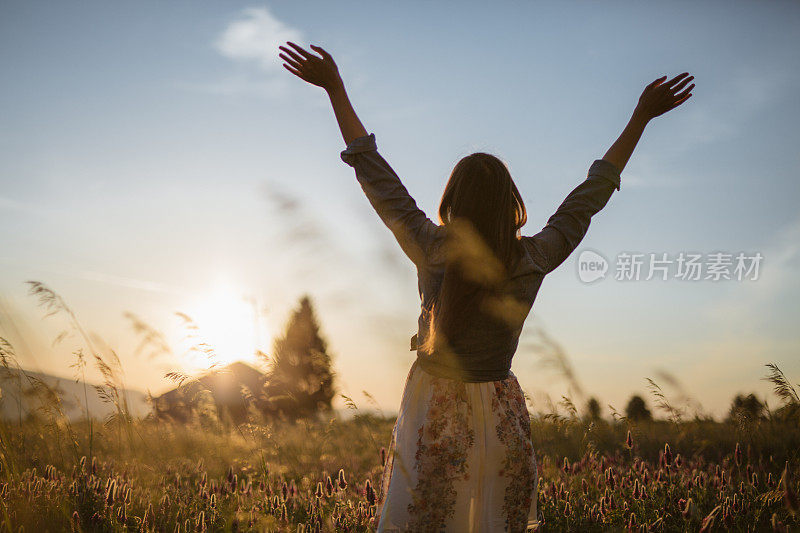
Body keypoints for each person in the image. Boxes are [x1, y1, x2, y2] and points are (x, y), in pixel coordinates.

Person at [279, 41, 693, 533]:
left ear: (452, 200)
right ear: (511, 204)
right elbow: (590, 196)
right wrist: (640, 118)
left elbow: (376, 175)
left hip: (434, 408)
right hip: (501, 414)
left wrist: (336, 91)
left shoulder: (432, 247)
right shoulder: (533, 258)